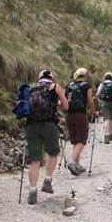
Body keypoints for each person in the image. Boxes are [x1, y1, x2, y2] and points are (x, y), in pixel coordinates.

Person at [26, 69, 69, 205]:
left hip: (32, 126)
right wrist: (57, 103)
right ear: (51, 78)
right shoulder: (55, 87)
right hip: (49, 125)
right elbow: (66, 107)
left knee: (34, 159)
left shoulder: (30, 88)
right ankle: (47, 181)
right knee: (53, 152)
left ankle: (32, 192)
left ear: (39, 78)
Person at [64, 68, 98, 176]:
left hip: (69, 115)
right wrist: (94, 112)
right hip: (80, 115)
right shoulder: (86, 86)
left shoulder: (69, 85)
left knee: (75, 140)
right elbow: (90, 101)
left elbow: (65, 100)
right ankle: (72, 162)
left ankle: (77, 165)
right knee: (82, 139)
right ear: (84, 76)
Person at [95, 72, 112, 143]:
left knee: (107, 119)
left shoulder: (102, 84)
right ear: (111, 77)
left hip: (104, 103)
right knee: (111, 118)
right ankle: (111, 135)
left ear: (105, 77)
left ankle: (106, 136)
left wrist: (97, 99)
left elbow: (98, 94)